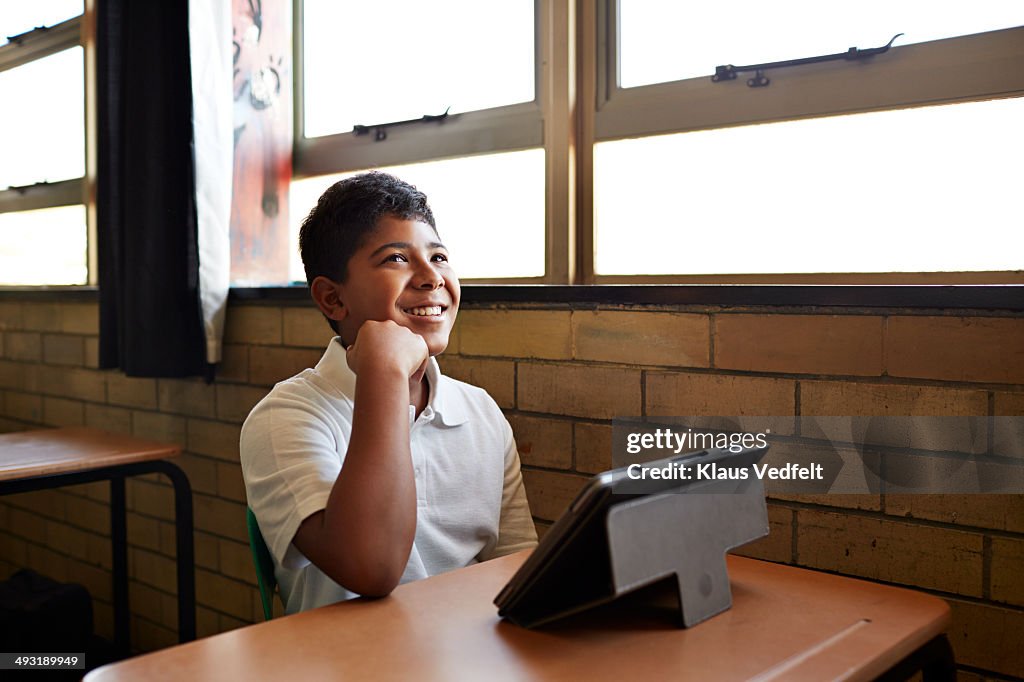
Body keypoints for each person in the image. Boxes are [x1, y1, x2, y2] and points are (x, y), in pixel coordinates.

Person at [240, 172, 537, 614]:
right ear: (332, 299)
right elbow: (370, 568)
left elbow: (517, 566)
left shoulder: (480, 412)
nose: (430, 277)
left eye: (438, 256)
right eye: (396, 258)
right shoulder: (284, 417)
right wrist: (384, 373)